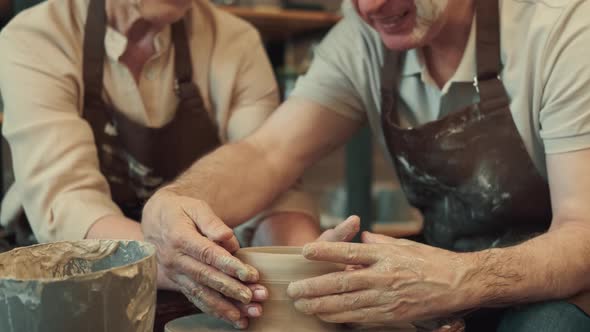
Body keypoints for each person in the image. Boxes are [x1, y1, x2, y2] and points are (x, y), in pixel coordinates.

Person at [141, 0, 590, 330]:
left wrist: (462, 277)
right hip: (447, 295)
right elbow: (267, 154)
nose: (371, 5)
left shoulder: (563, 30)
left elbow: (582, 235)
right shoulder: (363, 38)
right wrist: (179, 199)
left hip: (563, 289)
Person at [0, 0, 343, 329]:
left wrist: (299, 264)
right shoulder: (37, 37)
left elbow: (269, 173)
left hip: (211, 287)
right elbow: (68, 201)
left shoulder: (235, 41)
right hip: (69, 288)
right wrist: (188, 265)